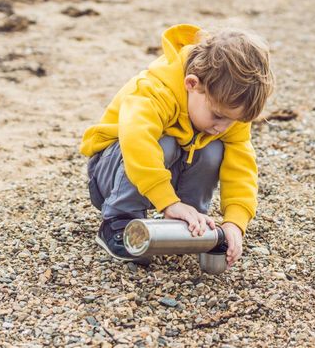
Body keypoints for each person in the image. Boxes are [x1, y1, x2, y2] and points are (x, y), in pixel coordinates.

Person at [79, 24, 274, 268]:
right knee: (166, 142)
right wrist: (168, 201)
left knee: (214, 149)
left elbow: (241, 169)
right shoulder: (155, 91)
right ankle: (119, 219)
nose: (223, 126)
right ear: (192, 84)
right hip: (111, 172)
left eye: (233, 120)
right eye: (218, 116)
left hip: (162, 176)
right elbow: (136, 142)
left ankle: (188, 221)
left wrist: (235, 223)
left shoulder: (227, 112)